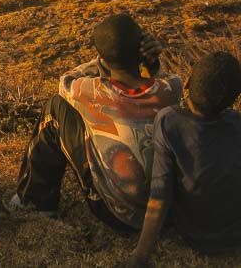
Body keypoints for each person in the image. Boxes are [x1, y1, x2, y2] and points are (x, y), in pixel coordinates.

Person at [10, 13, 183, 231]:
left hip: (116, 215)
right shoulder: (172, 88)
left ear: (103, 58)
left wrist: (101, 59)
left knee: (56, 107)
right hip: (167, 212)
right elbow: (159, 80)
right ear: (141, 49)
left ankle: (34, 201)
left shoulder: (91, 92)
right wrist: (151, 62)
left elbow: (65, 81)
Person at [126, 51, 241, 266]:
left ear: (187, 81)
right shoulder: (237, 121)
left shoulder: (169, 121)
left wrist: (139, 256)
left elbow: (160, 196)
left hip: (199, 236)